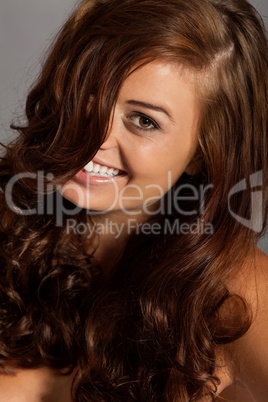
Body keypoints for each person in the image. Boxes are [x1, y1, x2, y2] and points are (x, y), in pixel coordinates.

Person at [0, 0, 267, 400]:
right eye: (90, 94)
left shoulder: (233, 289)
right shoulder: (9, 221)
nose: (95, 136)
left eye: (144, 120)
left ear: (201, 153)